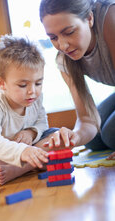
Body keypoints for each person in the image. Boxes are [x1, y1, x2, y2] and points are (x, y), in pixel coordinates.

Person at [0, 35, 59, 185]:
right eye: (23, 85)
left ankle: (19, 169)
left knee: (58, 136)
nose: (32, 91)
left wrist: (31, 132)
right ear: (1, 83)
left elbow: (42, 124)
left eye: (38, 83)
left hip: (29, 148)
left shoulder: (35, 97)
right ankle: (31, 164)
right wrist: (21, 152)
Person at [39, 0, 115, 159]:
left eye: (69, 32)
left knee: (110, 134)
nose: (63, 45)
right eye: (53, 37)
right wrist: (73, 137)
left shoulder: (110, 17)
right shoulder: (64, 60)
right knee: (93, 139)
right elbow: (87, 118)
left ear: (89, 18)